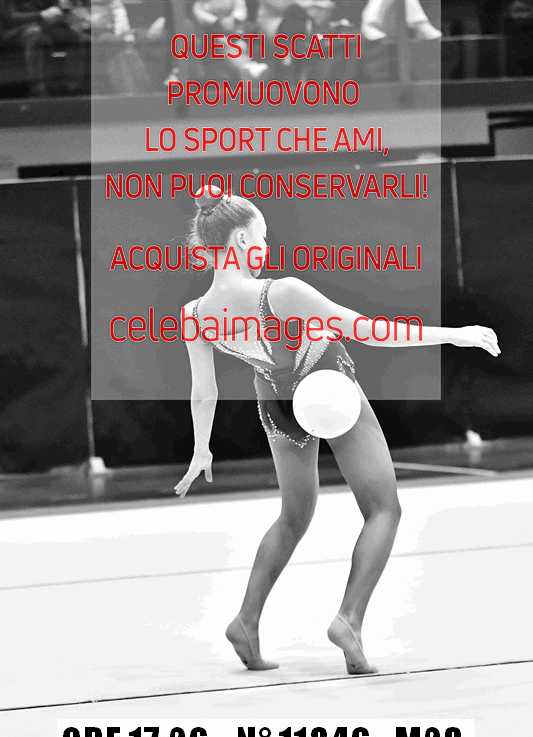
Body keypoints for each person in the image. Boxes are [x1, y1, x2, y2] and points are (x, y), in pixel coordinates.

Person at [175, 191, 500, 674]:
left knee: (293, 517)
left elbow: (204, 392)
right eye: (262, 236)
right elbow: (368, 330)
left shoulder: (194, 314)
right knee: (383, 508)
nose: (266, 244)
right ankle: (349, 619)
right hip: (327, 385)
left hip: (277, 405)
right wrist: (453, 334)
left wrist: (202, 448)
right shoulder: (280, 292)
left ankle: (246, 621)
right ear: (241, 239)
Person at [0, 0, 86, 96]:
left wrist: (62, 10)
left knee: (75, 36)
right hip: (14, 31)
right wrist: (41, 14)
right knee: (35, 35)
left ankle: (73, 86)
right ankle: (37, 87)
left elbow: (55, 9)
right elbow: (9, 17)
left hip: (43, 26)